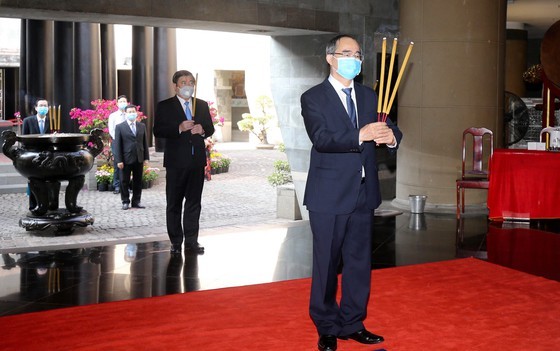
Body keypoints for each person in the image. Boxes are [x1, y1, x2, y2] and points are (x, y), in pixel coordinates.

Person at [301, 34, 403, 351]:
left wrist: (391, 137)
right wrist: (362, 133)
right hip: (328, 194)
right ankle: (327, 325)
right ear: (330, 58)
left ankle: (353, 322)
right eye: (347, 53)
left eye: (358, 54)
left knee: (359, 262)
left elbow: (391, 128)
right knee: (327, 263)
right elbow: (322, 138)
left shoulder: (370, 96)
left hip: (363, 191)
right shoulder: (313, 97)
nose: (354, 59)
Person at [153, 70, 214, 256]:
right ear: (176, 86)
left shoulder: (201, 105)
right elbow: (158, 130)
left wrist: (202, 130)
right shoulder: (165, 106)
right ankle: (176, 242)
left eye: (190, 82)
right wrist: (178, 128)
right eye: (183, 82)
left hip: (196, 162)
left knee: (194, 203)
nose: (188, 85)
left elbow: (210, 128)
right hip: (176, 163)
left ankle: (192, 241)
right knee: (174, 203)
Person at [113, 104, 150, 210]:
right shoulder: (120, 127)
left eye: (133, 112)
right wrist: (119, 160)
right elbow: (117, 145)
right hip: (125, 158)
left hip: (139, 157)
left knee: (138, 181)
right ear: (125, 114)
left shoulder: (141, 126)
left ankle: (136, 201)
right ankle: (125, 201)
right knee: (124, 181)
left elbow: (144, 142)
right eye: (129, 112)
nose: (132, 114)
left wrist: (146, 158)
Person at [22, 98, 51, 211]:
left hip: (47, 156)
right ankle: (33, 205)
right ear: (36, 108)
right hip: (33, 155)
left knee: (47, 182)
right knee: (34, 181)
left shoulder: (51, 121)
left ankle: (46, 205)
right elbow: (24, 139)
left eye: (45, 105)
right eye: (41, 105)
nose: (43, 107)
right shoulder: (28, 121)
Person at [108, 95, 129, 194]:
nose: (122, 103)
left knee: (127, 165)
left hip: (128, 142)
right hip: (117, 142)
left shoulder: (129, 114)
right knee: (118, 163)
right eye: (121, 101)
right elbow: (111, 130)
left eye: (124, 101)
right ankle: (116, 185)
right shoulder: (113, 116)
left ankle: (125, 186)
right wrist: (118, 140)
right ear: (117, 103)